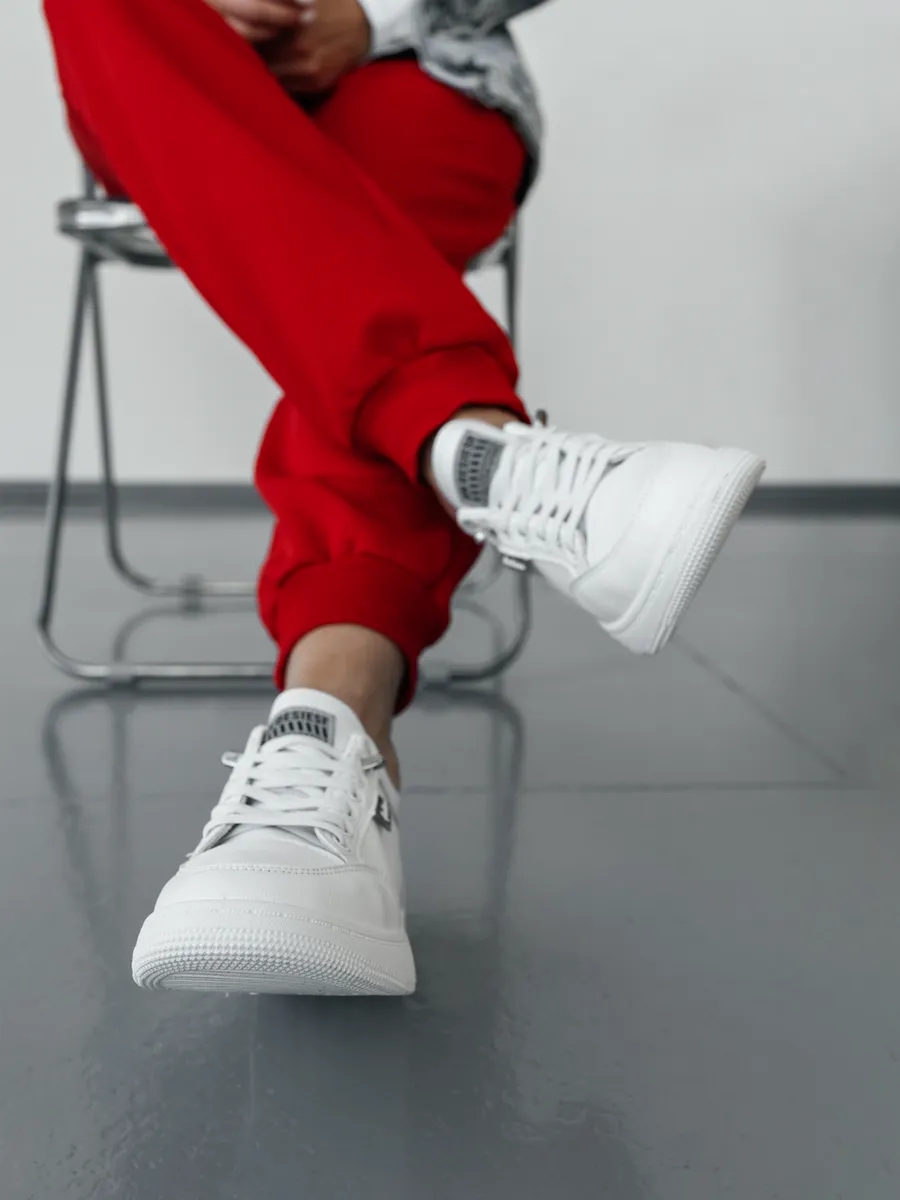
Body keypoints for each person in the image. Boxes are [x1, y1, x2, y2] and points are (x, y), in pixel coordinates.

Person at [43, 0, 764, 997]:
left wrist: (375, 14)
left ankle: (329, 725)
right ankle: (484, 458)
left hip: (422, 69)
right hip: (170, 72)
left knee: (378, 217)